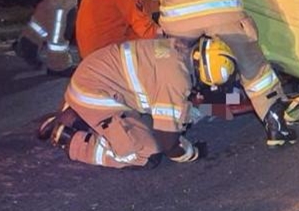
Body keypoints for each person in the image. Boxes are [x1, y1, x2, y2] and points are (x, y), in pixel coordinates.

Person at [157, 0, 297, 146]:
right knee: (255, 68)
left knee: (176, 66)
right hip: (222, 13)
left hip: (176, 19)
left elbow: (160, 51)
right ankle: (276, 125)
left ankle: (176, 124)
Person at [37, 37, 205, 169]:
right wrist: (192, 153)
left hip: (93, 78)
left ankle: (76, 114)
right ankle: (73, 140)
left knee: (153, 122)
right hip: (95, 92)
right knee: (146, 152)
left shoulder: (177, 49)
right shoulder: (176, 81)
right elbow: (170, 144)